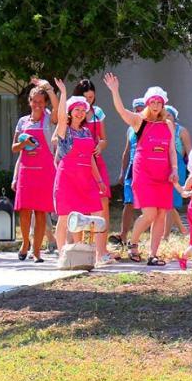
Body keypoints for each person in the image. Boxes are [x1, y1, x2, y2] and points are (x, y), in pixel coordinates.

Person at [104, 74, 178, 266]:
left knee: (162, 213)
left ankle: (154, 254)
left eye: (159, 102)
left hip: (164, 175)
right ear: (147, 103)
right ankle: (133, 243)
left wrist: (175, 169)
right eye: (152, 102)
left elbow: (171, 149)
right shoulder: (139, 121)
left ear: (163, 105)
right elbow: (121, 111)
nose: (155, 105)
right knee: (150, 214)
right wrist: (114, 91)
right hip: (144, 174)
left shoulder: (168, 124)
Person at [51, 89, 108, 258]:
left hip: (86, 179)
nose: (80, 113)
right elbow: (60, 116)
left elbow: (90, 159)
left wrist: (99, 181)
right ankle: (63, 255)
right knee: (64, 217)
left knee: (95, 215)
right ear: (70, 111)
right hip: (67, 178)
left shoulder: (86, 132)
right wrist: (62, 93)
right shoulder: (64, 130)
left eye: (83, 110)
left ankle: (95, 253)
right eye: (76, 109)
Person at [12, 79, 59, 262]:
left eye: (42, 101)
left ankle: (37, 251)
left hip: (45, 171)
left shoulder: (50, 119)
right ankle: (25, 243)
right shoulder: (23, 122)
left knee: (41, 212)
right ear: (30, 102)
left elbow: (58, 107)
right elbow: (14, 148)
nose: (38, 105)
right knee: (24, 211)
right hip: (26, 170)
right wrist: (24, 143)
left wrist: (48, 87)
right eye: (35, 101)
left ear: (45, 103)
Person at [74, 78, 116, 263]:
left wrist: (101, 145)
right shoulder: (74, 113)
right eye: (85, 97)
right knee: (80, 206)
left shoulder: (98, 113)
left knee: (103, 203)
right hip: (80, 164)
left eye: (91, 97)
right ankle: (82, 250)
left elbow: (104, 138)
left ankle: (101, 251)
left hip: (97, 163)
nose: (89, 101)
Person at [116, 96, 146, 245]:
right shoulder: (130, 129)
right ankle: (123, 235)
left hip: (146, 170)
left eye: (142, 109)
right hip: (131, 169)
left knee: (149, 206)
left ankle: (146, 236)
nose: (139, 112)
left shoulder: (151, 126)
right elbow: (127, 151)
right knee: (128, 202)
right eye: (137, 110)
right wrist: (122, 172)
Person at [166, 105, 192, 237]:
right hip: (162, 167)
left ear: (174, 117)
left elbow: (189, 151)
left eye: (168, 115)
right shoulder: (158, 130)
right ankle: (182, 229)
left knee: (170, 203)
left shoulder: (181, 131)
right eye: (163, 115)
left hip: (178, 167)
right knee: (166, 202)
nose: (166, 117)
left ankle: (165, 235)